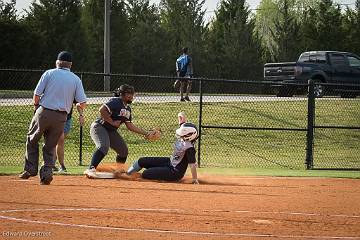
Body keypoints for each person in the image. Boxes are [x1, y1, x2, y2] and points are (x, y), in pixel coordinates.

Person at [19, 51, 87, 185]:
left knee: (32, 139)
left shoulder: (49, 73)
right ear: (70, 65)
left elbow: (37, 94)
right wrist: (71, 103)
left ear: (57, 62)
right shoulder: (75, 79)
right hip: (62, 117)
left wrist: (36, 107)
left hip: (44, 111)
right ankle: (46, 175)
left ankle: (30, 169)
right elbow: (82, 102)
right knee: (50, 145)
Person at [84, 84, 155, 178]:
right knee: (103, 146)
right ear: (121, 94)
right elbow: (102, 110)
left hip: (111, 131)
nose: (131, 96)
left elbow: (130, 126)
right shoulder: (116, 101)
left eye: (132, 93)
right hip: (99, 127)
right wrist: (112, 122)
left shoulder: (127, 109)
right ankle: (91, 169)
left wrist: (146, 133)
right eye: (128, 93)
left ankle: (118, 171)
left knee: (123, 151)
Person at [125, 112, 199, 184]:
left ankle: (133, 177)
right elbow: (182, 121)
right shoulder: (186, 136)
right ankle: (126, 174)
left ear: (189, 136)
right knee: (141, 161)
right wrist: (181, 115)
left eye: (182, 135)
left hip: (174, 172)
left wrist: (195, 179)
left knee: (146, 173)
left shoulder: (190, 148)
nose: (180, 136)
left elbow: (192, 165)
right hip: (170, 162)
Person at [54, 104, 85, 173]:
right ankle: (62, 165)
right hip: (56, 116)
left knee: (58, 141)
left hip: (67, 118)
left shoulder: (72, 92)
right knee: (60, 140)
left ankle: (51, 162)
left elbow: (78, 103)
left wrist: (81, 115)